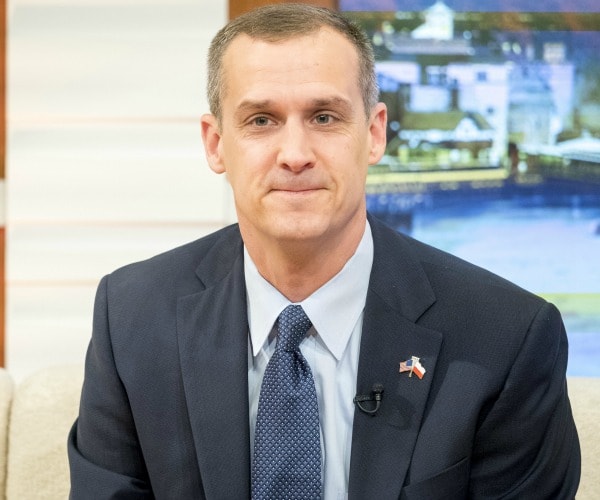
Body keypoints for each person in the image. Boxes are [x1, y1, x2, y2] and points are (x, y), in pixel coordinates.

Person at [68, 3, 580, 499]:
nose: (295, 155)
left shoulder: (507, 339)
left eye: (324, 117)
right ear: (216, 143)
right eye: (261, 120)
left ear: (374, 134)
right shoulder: (132, 318)